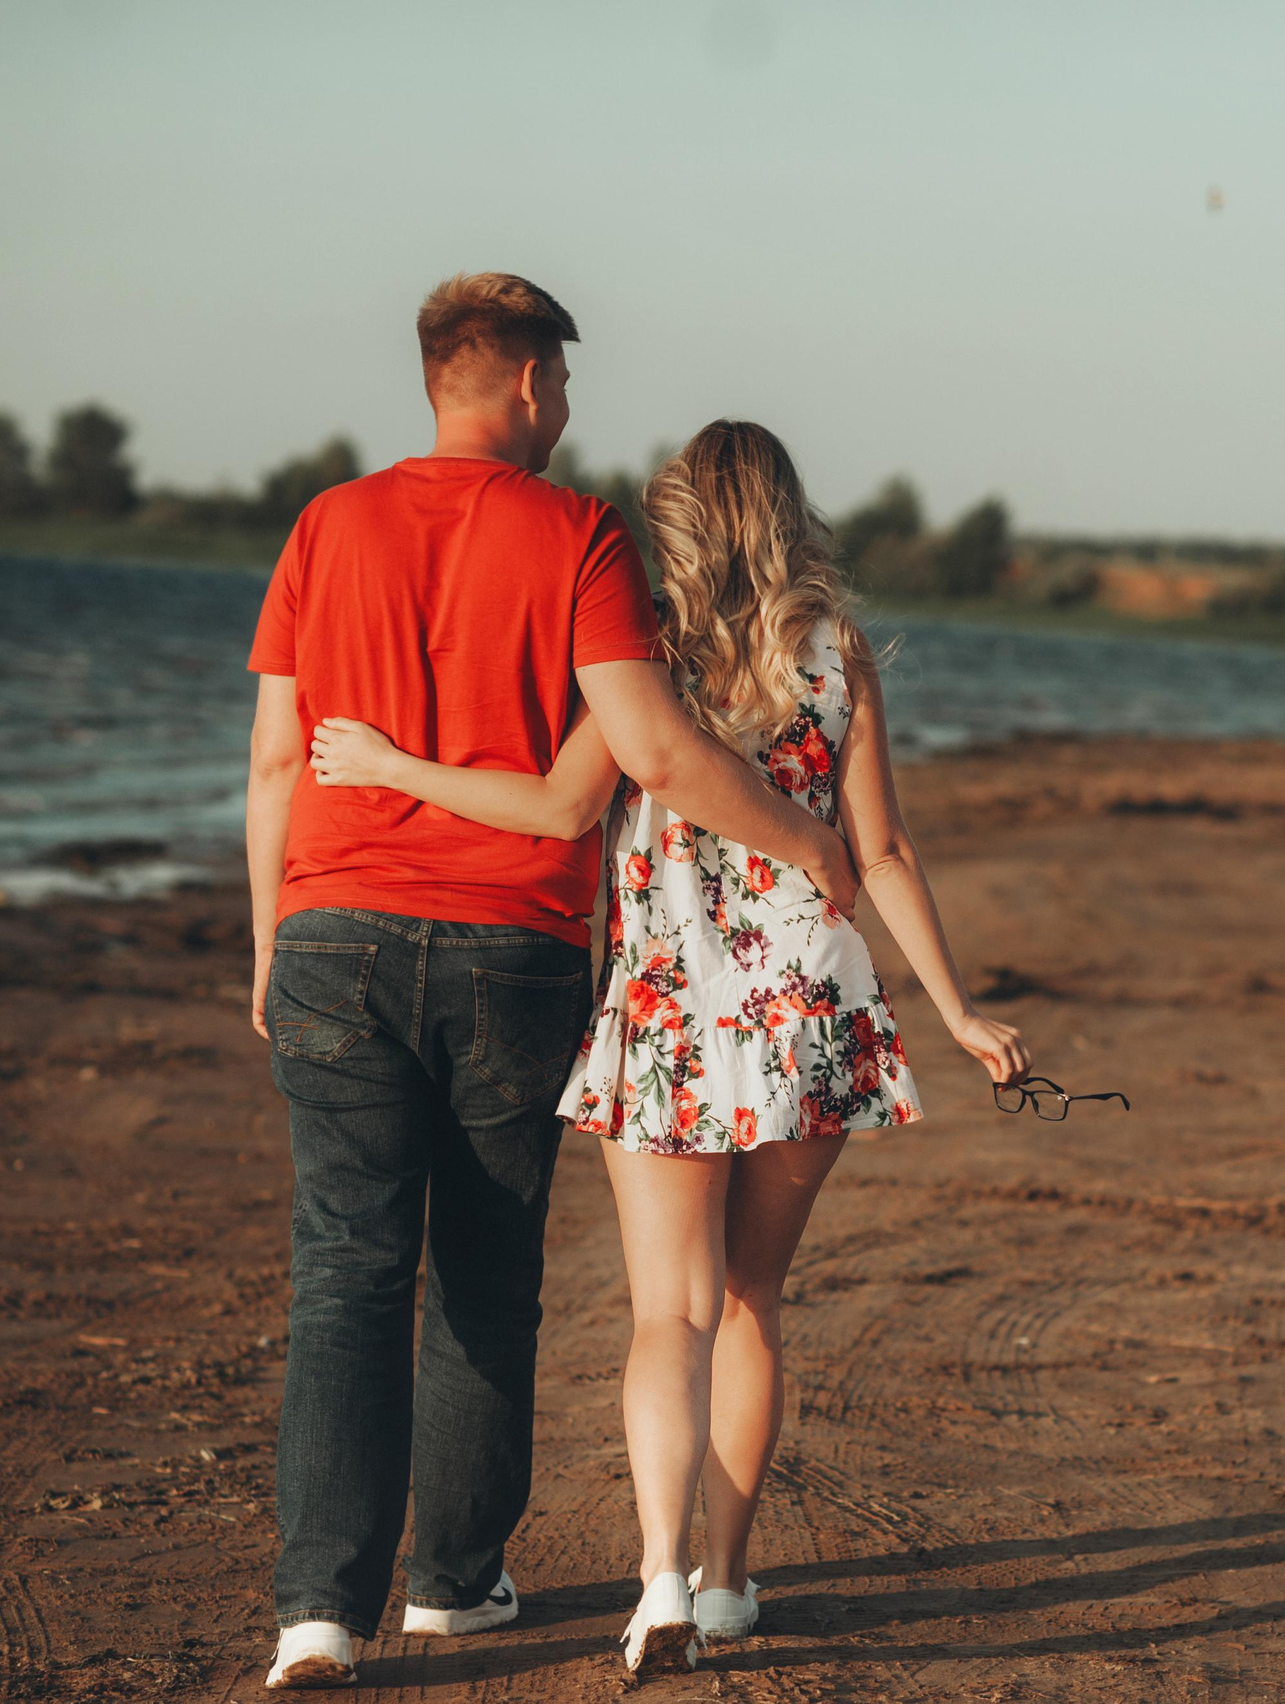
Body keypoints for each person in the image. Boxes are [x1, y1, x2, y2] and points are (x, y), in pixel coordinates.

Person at [306, 419, 1031, 1677]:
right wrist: (958, 1012)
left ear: (680, 521)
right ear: (789, 514)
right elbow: (885, 855)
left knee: (670, 1316)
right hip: (805, 1011)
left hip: (670, 1020)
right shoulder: (835, 655)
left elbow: (553, 806)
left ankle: (657, 1585)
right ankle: (730, 1579)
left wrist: (387, 764)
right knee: (753, 1304)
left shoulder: (642, 657)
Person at [244, 277, 858, 1691]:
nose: (569, 413)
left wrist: (268, 942)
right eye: (564, 389)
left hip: (331, 925)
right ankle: (456, 1588)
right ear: (525, 383)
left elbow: (278, 757)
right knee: (481, 1269)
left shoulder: (322, 527)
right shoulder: (578, 533)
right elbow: (645, 750)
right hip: (512, 951)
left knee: (345, 1270)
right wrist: (806, 841)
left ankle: (318, 1618)